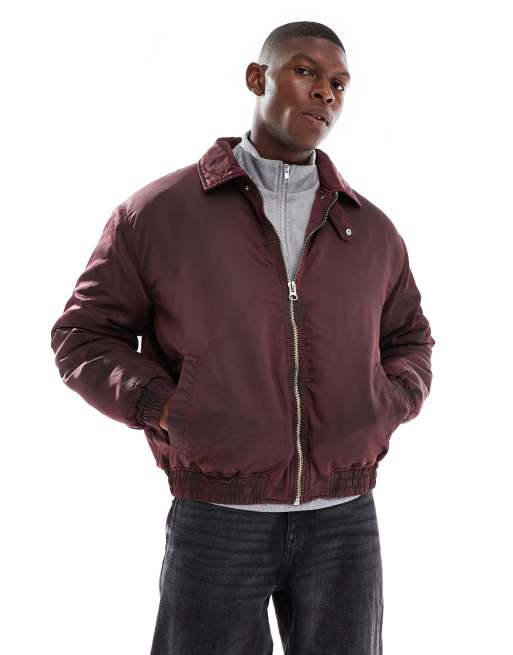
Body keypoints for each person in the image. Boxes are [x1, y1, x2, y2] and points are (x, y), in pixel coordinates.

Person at [50, 20, 435, 655]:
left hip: (344, 518)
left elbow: (410, 338)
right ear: (257, 78)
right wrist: (165, 406)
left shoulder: (371, 230)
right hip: (218, 515)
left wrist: (385, 404)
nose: (326, 93)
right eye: (305, 71)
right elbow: (83, 335)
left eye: (339, 83)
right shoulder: (159, 214)